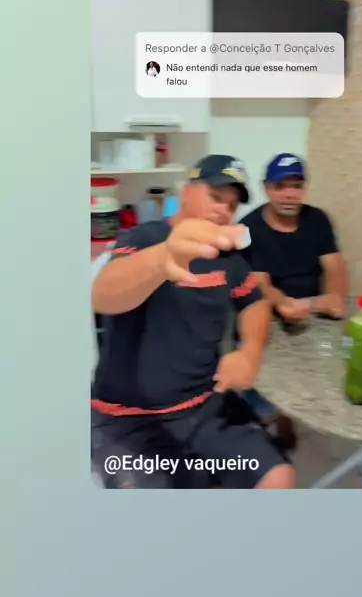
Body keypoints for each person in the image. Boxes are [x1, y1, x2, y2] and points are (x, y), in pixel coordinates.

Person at [91, 154, 294, 490]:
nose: (223, 210)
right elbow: (104, 296)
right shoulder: (144, 238)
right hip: (129, 417)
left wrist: (250, 352)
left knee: (279, 477)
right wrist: (164, 259)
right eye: (215, 197)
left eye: (232, 205)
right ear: (186, 192)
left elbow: (255, 303)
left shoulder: (229, 258)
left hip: (207, 409)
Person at [239, 152, 347, 439]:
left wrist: (331, 298)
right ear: (266, 188)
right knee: (262, 390)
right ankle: (266, 415)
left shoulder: (318, 219)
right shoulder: (249, 228)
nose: (290, 195)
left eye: (297, 186)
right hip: (267, 313)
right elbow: (262, 284)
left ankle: (293, 410)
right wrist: (283, 303)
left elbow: (335, 265)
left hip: (311, 314)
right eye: (280, 186)